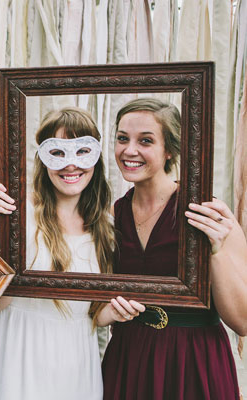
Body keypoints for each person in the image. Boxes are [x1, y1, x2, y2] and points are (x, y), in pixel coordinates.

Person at [98, 98, 247, 400]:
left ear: (169, 150)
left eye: (146, 141)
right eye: (123, 138)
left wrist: (216, 251)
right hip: (129, 357)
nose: (129, 150)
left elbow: (242, 321)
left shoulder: (208, 214)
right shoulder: (114, 214)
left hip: (193, 360)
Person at [0, 107, 114, 399]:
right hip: (20, 360)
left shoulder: (106, 227)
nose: (71, 164)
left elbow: (96, 313)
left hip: (78, 365)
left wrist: (122, 309)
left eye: (82, 151)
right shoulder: (18, 216)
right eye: (58, 153)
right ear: (42, 157)